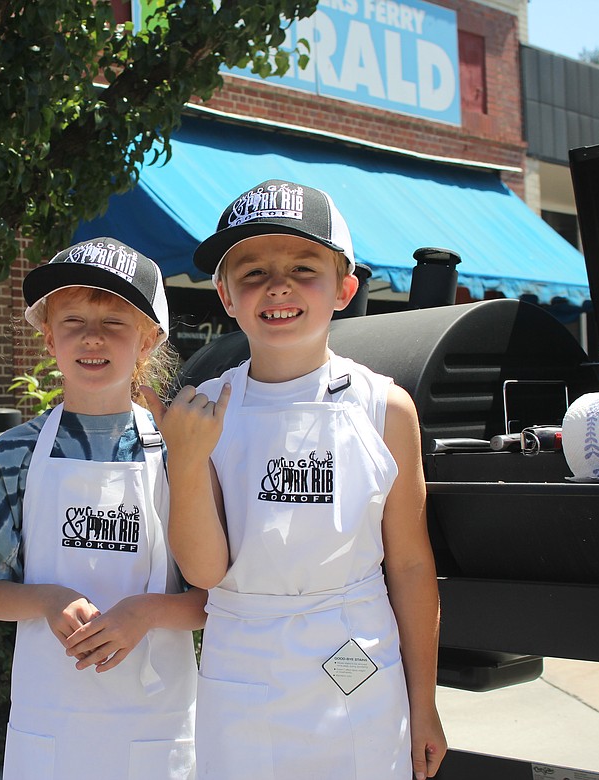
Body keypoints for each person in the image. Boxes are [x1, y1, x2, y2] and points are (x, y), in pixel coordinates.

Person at [161, 180, 447, 780]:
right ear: (225, 294)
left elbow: (412, 565)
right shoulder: (202, 410)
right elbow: (205, 573)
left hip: (358, 667)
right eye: (253, 271)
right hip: (242, 668)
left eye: (303, 267)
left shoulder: (386, 409)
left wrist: (425, 704)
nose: (278, 286)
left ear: (345, 288)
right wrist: (186, 463)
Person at [0, 237, 204, 779]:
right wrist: (48, 599)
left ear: (148, 339)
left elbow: (215, 601)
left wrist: (144, 613)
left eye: (115, 322)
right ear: (49, 337)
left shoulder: (181, 452)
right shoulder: (16, 452)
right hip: (51, 726)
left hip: (155, 730)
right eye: (73, 321)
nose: (92, 338)